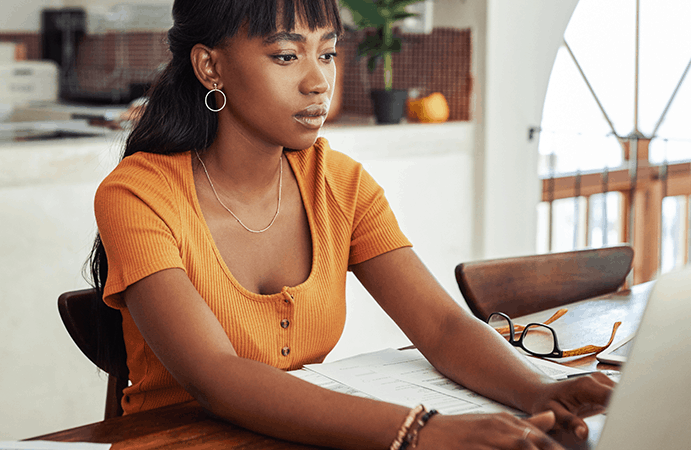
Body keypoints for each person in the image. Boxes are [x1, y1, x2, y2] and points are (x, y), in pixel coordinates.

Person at [88, 0, 613, 449]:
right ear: (210, 67)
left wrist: (539, 390)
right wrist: (421, 433)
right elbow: (216, 378)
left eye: (328, 52)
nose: (318, 81)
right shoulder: (137, 195)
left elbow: (441, 327)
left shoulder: (338, 182)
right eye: (286, 56)